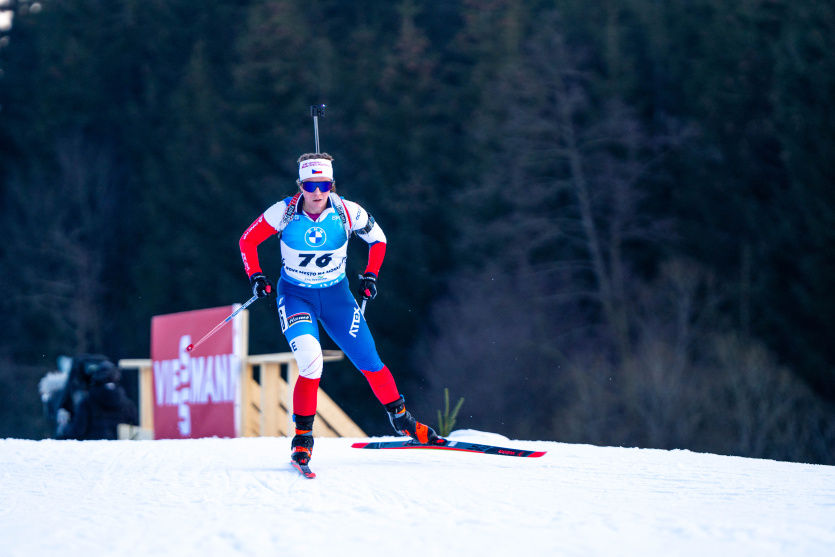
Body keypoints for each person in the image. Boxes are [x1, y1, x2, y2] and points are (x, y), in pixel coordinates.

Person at [239, 152, 439, 467]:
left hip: (337, 299)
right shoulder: (284, 213)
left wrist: (371, 275)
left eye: (324, 184)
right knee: (311, 363)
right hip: (295, 297)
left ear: (332, 184)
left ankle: (402, 420)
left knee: (370, 361)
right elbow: (248, 241)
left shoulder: (347, 212)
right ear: (300, 185)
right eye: (310, 184)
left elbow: (379, 240)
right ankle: (302, 439)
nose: (317, 192)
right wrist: (257, 277)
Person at [56, 360, 138, 440]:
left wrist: (64, 429)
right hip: (121, 452)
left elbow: (77, 432)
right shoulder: (128, 404)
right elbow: (136, 432)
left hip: (94, 451)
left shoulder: (87, 403)